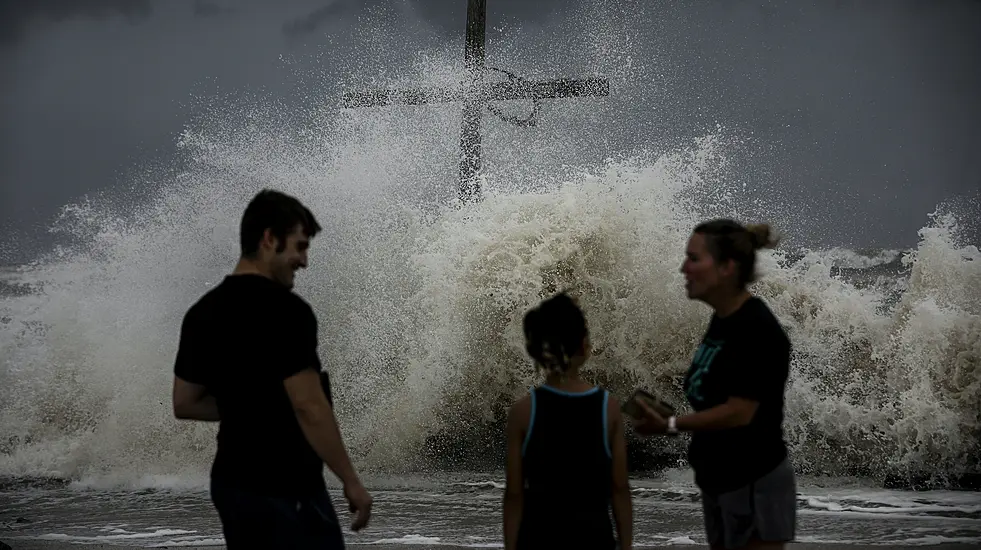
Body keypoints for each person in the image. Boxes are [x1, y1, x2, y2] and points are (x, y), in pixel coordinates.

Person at [171, 189, 372, 549]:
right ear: (269, 239)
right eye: (299, 246)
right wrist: (351, 481)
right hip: (285, 484)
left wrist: (248, 405)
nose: (304, 260)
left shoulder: (203, 311)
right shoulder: (287, 311)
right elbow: (309, 407)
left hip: (231, 484)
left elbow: (185, 403)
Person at [630, 219, 795, 550]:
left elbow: (740, 412)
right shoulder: (723, 319)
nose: (683, 268)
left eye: (693, 259)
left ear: (726, 267)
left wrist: (671, 424)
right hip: (722, 481)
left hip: (753, 482)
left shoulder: (755, 328)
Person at [503, 292, 632, 550]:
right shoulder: (608, 408)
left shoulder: (523, 412)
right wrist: (626, 545)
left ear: (538, 351)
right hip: (594, 538)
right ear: (585, 345)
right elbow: (619, 489)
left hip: (538, 538)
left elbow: (514, 494)